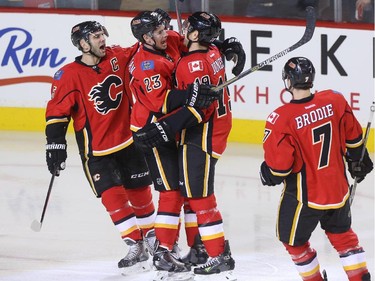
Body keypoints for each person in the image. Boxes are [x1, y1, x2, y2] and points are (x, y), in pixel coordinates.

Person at [129, 9, 245, 276]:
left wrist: (218, 43)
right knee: (173, 192)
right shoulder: (145, 63)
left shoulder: (169, 40)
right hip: (155, 129)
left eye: (165, 29)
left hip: (182, 125)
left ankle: (199, 248)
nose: (168, 34)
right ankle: (163, 252)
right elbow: (162, 102)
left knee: (191, 192)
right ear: (146, 37)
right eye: (159, 31)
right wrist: (191, 94)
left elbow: (194, 47)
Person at [45, 21, 157, 272]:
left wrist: (163, 30)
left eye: (102, 35)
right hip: (96, 152)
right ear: (83, 44)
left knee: (141, 193)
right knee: (112, 199)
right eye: (95, 36)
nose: (102, 39)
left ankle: (152, 238)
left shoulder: (117, 56)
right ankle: (135, 244)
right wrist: (55, 144)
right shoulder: (68, 75)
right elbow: (57, 113)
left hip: (129, 141)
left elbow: (146, 45)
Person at [259, 57, 373, 281]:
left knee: (292, 241)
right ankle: (361, 277)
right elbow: (353, 139)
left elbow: (280, 168)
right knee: (343, 235)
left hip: (304, 197)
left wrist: (267, 173)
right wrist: (359, 160)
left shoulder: (280, 118)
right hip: (338, 190)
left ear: (289, 81)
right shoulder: (335, 100)